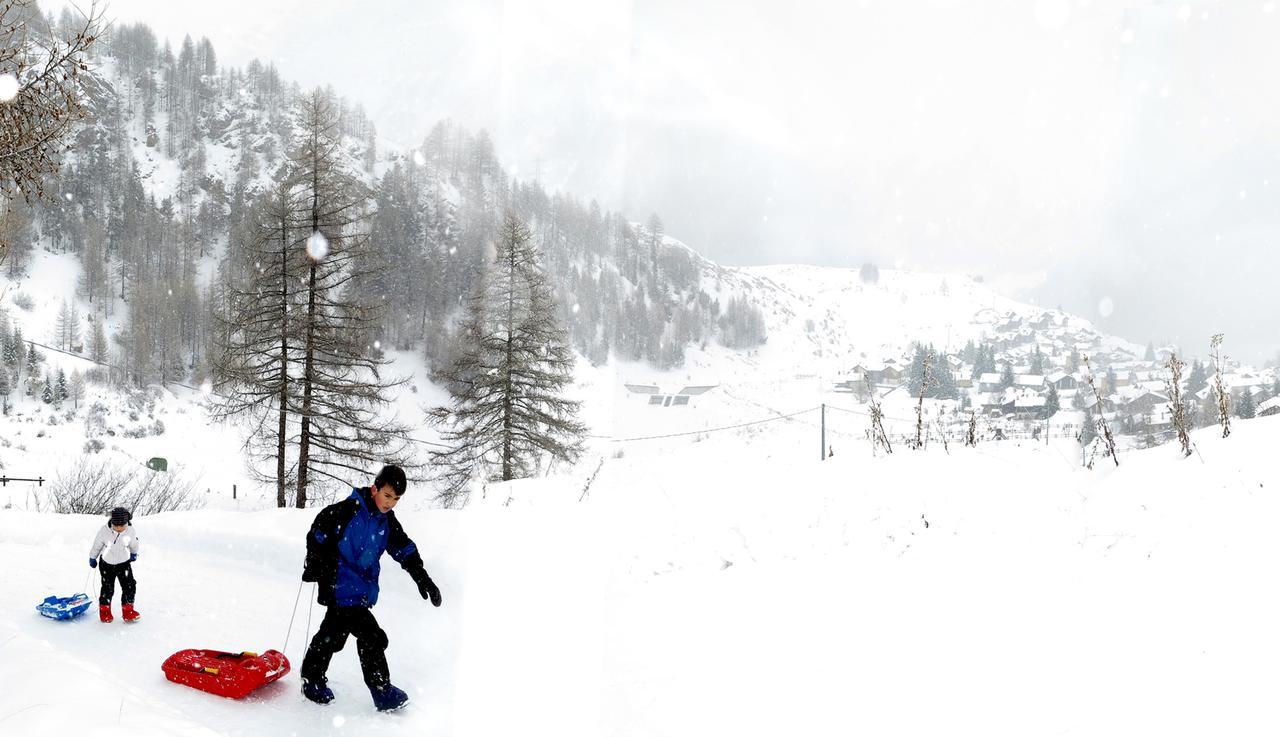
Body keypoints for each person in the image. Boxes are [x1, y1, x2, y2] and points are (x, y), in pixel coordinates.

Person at [300, 465, 442, 712]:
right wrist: (316, 564)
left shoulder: (386, 521)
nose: (390, 503)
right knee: (371, 636)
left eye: (396, 499)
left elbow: (404, 549)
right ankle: (381, 690)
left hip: (361, 591)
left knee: (333, 634)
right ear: (375, 488)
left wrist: (422, 578)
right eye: (387, 495)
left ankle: (311, 676)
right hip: (340, 585)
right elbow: (318, 531)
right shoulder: (347, 511)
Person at [88, 506, 141, 623]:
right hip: (107, 563)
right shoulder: (104, 531)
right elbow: (97, 544)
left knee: (129, 586)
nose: (118, 528)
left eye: (121, 526)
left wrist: (134, 553)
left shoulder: (130, 531)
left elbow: (134, 544)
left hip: (123, 563)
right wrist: (93, 557)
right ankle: (105, 612)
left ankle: (128, 611)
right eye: (115, 525)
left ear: (127, 522)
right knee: (107, 588)